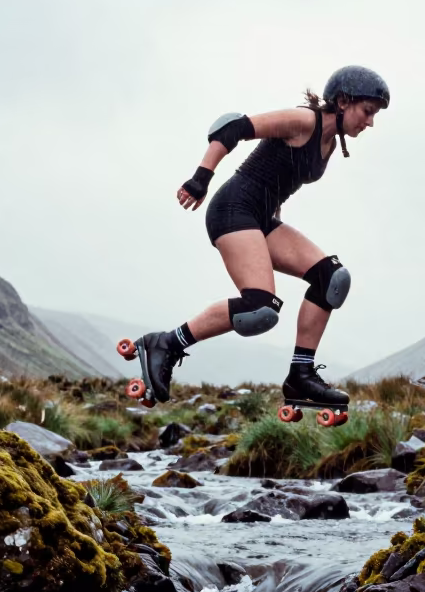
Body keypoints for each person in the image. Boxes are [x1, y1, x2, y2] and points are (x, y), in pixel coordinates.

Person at [123, 66, 390, 411]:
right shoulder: (304, 121)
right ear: (342, 101)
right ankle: (166, 343)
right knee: (260, 308)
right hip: (233, 209)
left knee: (332, 279)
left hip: (261, 219)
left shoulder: (328, 144)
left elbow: (278, 177)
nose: (370, 123)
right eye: (367, 112)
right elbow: (232, 126)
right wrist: (200, 178)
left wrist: (274, 215)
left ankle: (301, 375)